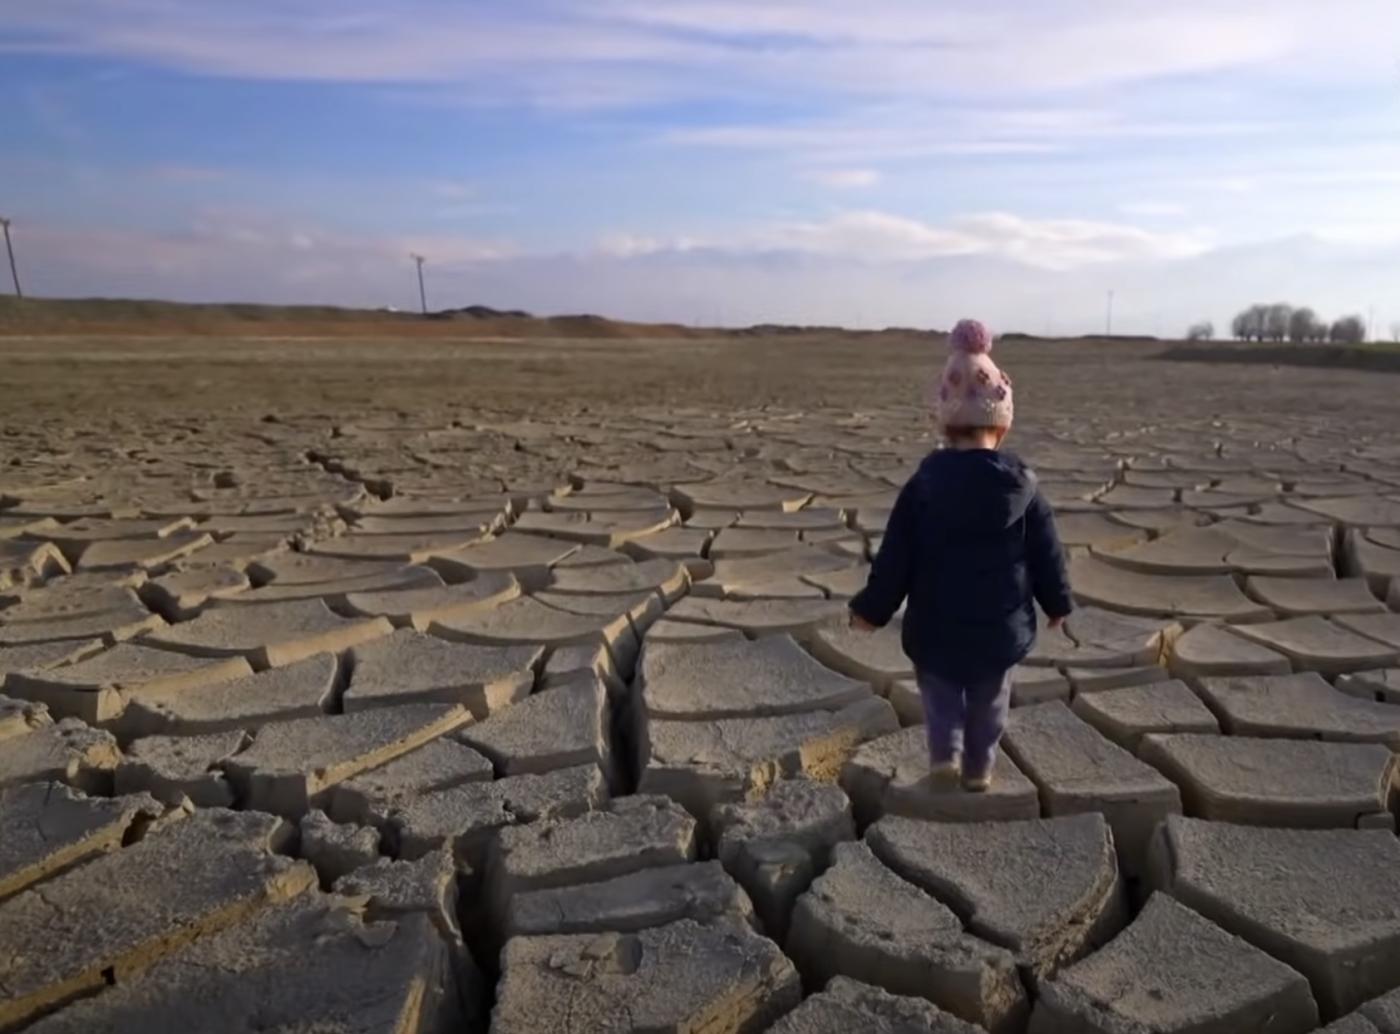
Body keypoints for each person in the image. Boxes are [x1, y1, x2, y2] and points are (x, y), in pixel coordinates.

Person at [847, 318, 1073, 792]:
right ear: (1004, 426)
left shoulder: (923, 487)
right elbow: (1046, 552)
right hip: (1000, 628)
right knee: (990, 702)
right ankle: (979, 767)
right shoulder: (1025, 489)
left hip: (936, 627)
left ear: (944, 425)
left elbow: (895, 557)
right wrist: (1057, 604)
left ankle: (943, 755)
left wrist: (871, 610)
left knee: (941, 696)